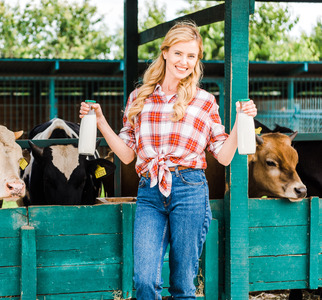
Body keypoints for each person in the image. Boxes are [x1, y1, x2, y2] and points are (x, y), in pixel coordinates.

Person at [79, 21, 257, 300]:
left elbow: (223, 156)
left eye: (191, 56)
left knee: (183, 286)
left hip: (190, 189)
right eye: (178, 53)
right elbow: (126, 154)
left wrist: (241, 120)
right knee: (145, 280)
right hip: (149, 189)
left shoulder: (204, 101)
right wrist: (100, 121)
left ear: (197, 61)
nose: (184, 61)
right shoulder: (140, 98)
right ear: (165, 53)